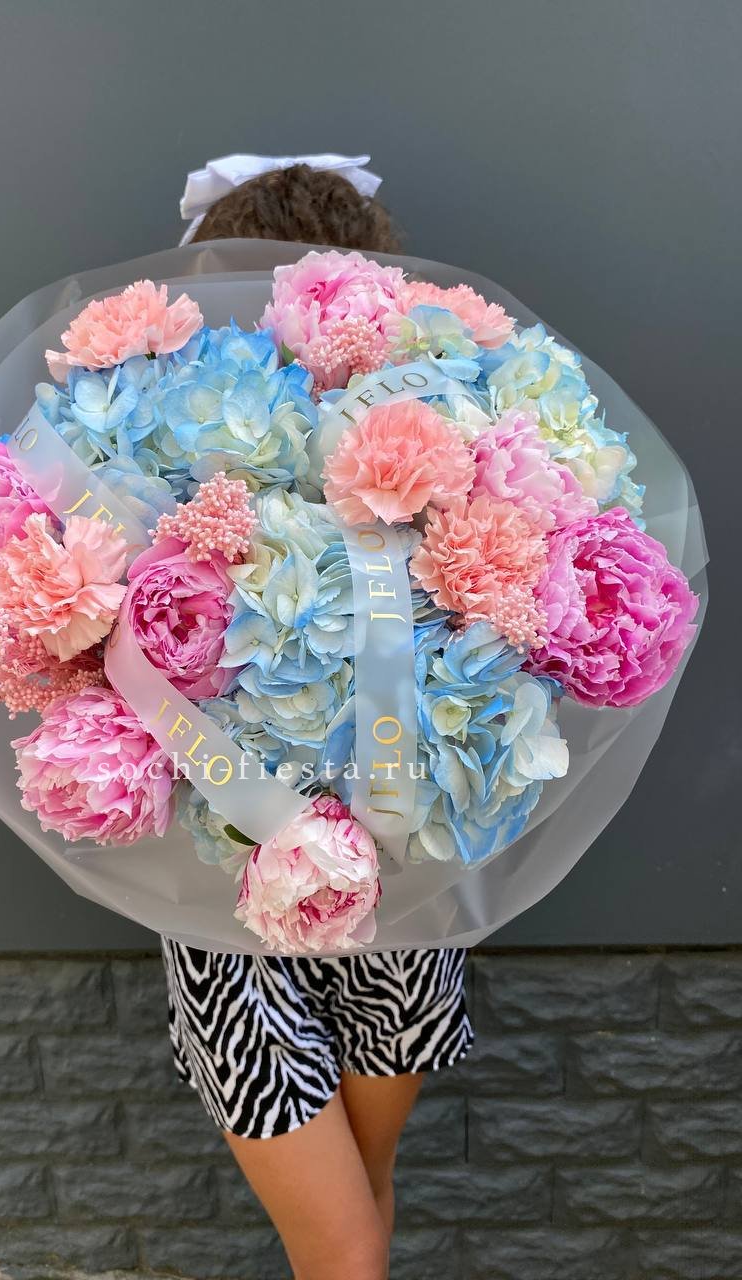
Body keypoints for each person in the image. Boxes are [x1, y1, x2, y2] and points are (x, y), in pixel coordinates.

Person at [160, 156, 474, 1280]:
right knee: (344, 1237)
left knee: (358, 1212)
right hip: (237, 894)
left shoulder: (439, 430)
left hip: (386, 882)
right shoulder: (172, 442)